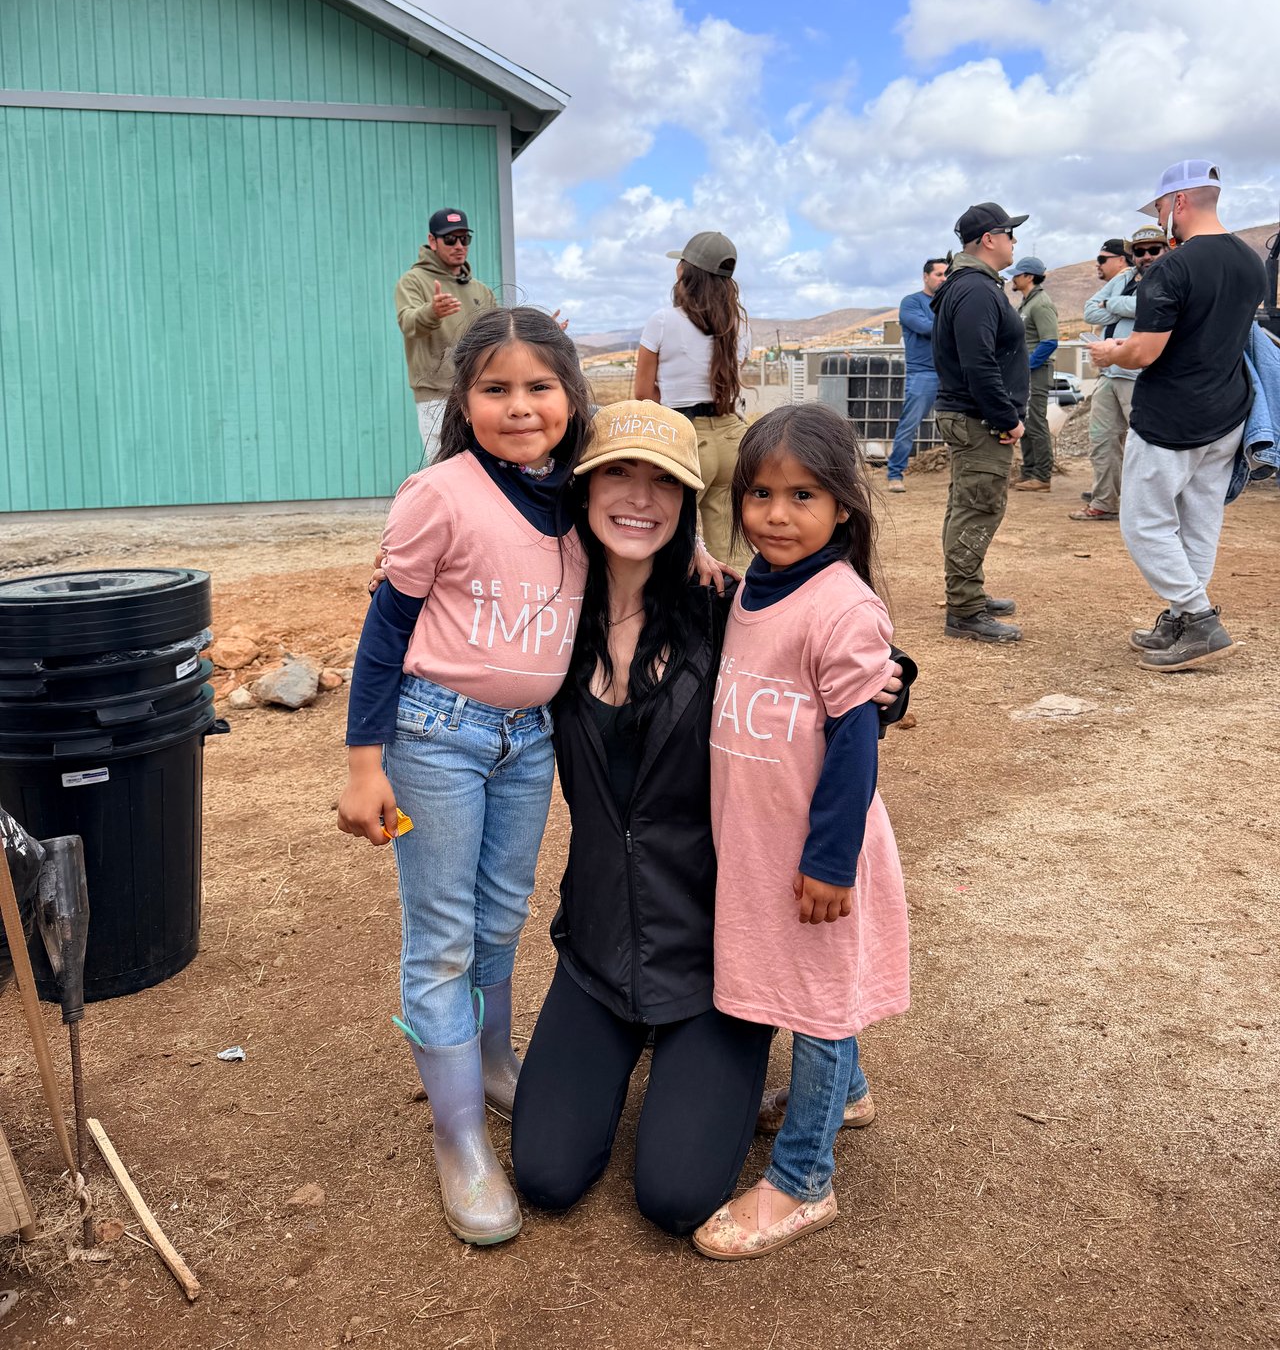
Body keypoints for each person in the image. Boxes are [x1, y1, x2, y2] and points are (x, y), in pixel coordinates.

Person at [511, 402, 914, 1241]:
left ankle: (807, 1126)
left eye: (665, 482)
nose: (639, 497)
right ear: (582, 488)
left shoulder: (717, 609)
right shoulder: (551, 612)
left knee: (674, 1197)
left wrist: (892, 679)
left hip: (713, 948)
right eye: (619, 473)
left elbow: (834, 653)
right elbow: (456, 624)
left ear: (691, 503)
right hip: (598, 941)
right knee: (545, 1177)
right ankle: (833, 1085)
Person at [338, 308, 592, 1246]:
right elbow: (383, 636)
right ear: (464, 399)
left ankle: (491, 1065)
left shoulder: (580, 492)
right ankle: (459, 1142)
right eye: (495, 389)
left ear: (569, 395)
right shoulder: (437, 494)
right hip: (433, 735)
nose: (519, 407)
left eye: (538, 387)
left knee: (501, 913)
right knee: (442, 932)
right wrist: (365, 763)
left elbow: (648, 544)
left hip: (530, 742)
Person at [691, 405, 910, 1260]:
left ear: (843, 508)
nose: (776, 515)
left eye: (803, 495)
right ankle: (846, 1093)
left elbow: (855, 743)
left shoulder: (841, 607)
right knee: (799, 983)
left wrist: (829, 861)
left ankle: (804, 1179)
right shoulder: (753, 588)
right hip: (760, 841)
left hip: (818, 854)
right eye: (759, 493)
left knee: (818, 1005)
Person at [1088, 162, 1266, 671]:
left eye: (1162, 207)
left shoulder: (1173, 266)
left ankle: (1198, 617)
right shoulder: (1250, 262)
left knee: (1144, 522)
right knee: (1199, 520)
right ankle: (1183, 620)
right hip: (1229, 411)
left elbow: (1145, 352)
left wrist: (1110, 353)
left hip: (1172, 414)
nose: (1161, 218)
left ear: (1180, 202)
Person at [929, 204, 1029, 643]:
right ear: (989, 238)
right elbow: (979, 362)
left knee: (967, 505)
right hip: (979, 418)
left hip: (970, 415)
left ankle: (969, 594)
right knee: (978, 507)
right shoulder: (976, 290)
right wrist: (1007, 417)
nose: (1014, 242)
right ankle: (965, 610)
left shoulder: (970, 286)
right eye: (1010, 233)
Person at [634, 231, 750, 569]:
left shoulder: (662, 321)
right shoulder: (738, 326)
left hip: (684, 435)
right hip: (730, 436)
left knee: (671, 542)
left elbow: (643, 395)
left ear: (684, 272)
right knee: (730, 549)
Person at [1073, 229, 1168, 520]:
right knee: (1102, 440)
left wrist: (1112, 305)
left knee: (1146, 444)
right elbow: (1090, 311)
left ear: (1165, 250)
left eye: (1154, 250)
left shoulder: (1169, 277)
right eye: (1140, 252)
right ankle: (1104, 502)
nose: (1147, 256)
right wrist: (1125, 310)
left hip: (1140, 375)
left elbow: (1152, 307)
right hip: (1109, 374)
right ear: (1133, 255)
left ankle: (1152, 510)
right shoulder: (1123, 279)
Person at [395, 209, 498, 459]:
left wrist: (534, 332)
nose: (459, 245)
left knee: (485, 466)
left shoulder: (480, 290)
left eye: (465, 239)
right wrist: (432, 311)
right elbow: (408, 322)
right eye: (450, 239)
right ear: (433, 241)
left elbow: (498, 336)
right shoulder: (413, 282)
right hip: (436, 396)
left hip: (477, 393)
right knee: (444, 466)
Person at [886, 258, 948, 492]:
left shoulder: (948, 303)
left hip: (950, 373)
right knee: (909, 425)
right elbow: (927, 328)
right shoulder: (911, 302)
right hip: (924, 373)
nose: (943, 279)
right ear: (926, 276)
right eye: (938, 274)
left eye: (946, 275)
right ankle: (895, 474)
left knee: (959, 423)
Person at [1010, 258, 1059, 492]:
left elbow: (1049, 341)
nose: (1013, 278)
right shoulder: (1028, 302)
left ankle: (1041, 475)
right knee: (1026, 421)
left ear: (1029, 276)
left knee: (1036, 422)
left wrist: (1027, 366)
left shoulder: (1041, 304)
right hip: (1028, 371)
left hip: (1036, 372)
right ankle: (1029, 472)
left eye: (1017, 274)